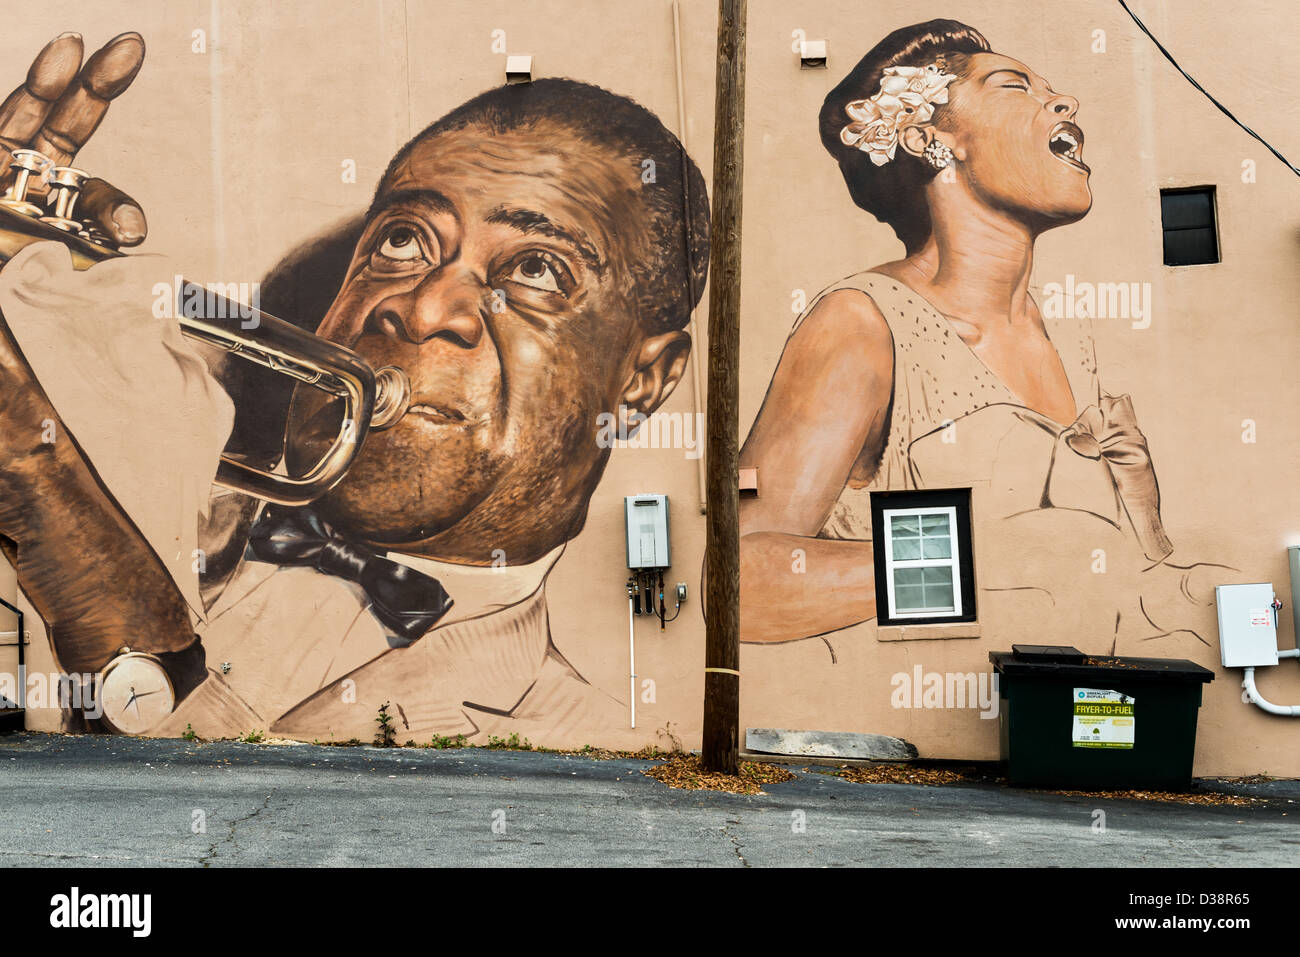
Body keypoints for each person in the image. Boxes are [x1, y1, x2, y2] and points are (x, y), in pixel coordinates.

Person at [0, 33, 709, 741]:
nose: (423, 307)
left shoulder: (587, 741)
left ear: (645, 380)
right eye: (403, 241)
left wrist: (103, 593)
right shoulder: (149, 471)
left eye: (537, 270)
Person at [739, 19, 1222, 651]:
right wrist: (983, 563)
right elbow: (746, 583)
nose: (1063, 101)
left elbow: (1114, 579)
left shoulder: (1070, 337)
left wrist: (1146, 534)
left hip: (1080, 714)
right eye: (1013, 85)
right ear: (930, 138)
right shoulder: (862, 322)